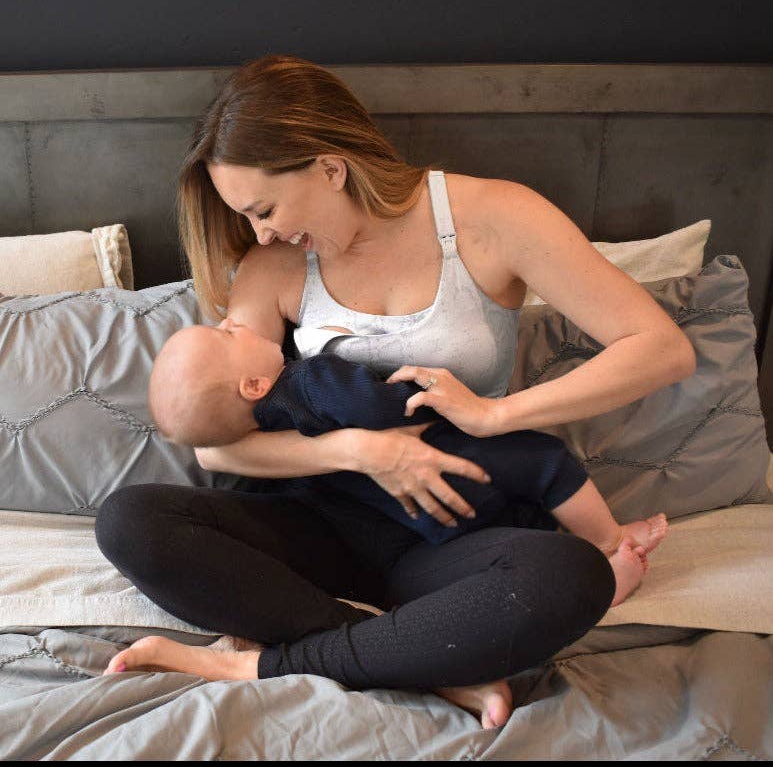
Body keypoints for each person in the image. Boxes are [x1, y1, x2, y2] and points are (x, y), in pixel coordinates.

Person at [94, 54, 696, 730]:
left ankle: (271, 661)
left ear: (329, 167)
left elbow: (660, 348)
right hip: (319, 523)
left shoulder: (493, 216)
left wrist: (495, 414)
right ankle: (412, 658)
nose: (259, 232)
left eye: (264, 209)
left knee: (571, 576)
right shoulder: (274, 263)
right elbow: (217, 448)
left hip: (445, 535)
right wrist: (361, 451)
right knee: (129, 522)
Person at [146, 315, 667, 580]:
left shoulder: (271, 430)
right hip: (448, 456)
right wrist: (414, 396)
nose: (230, 321)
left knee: (517, 523)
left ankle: (582, 563)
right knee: (547, 463)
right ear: (254, 385)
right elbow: (373, 409)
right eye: (224, 336)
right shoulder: (308, 381)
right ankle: (608, 542)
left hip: (420, 514)